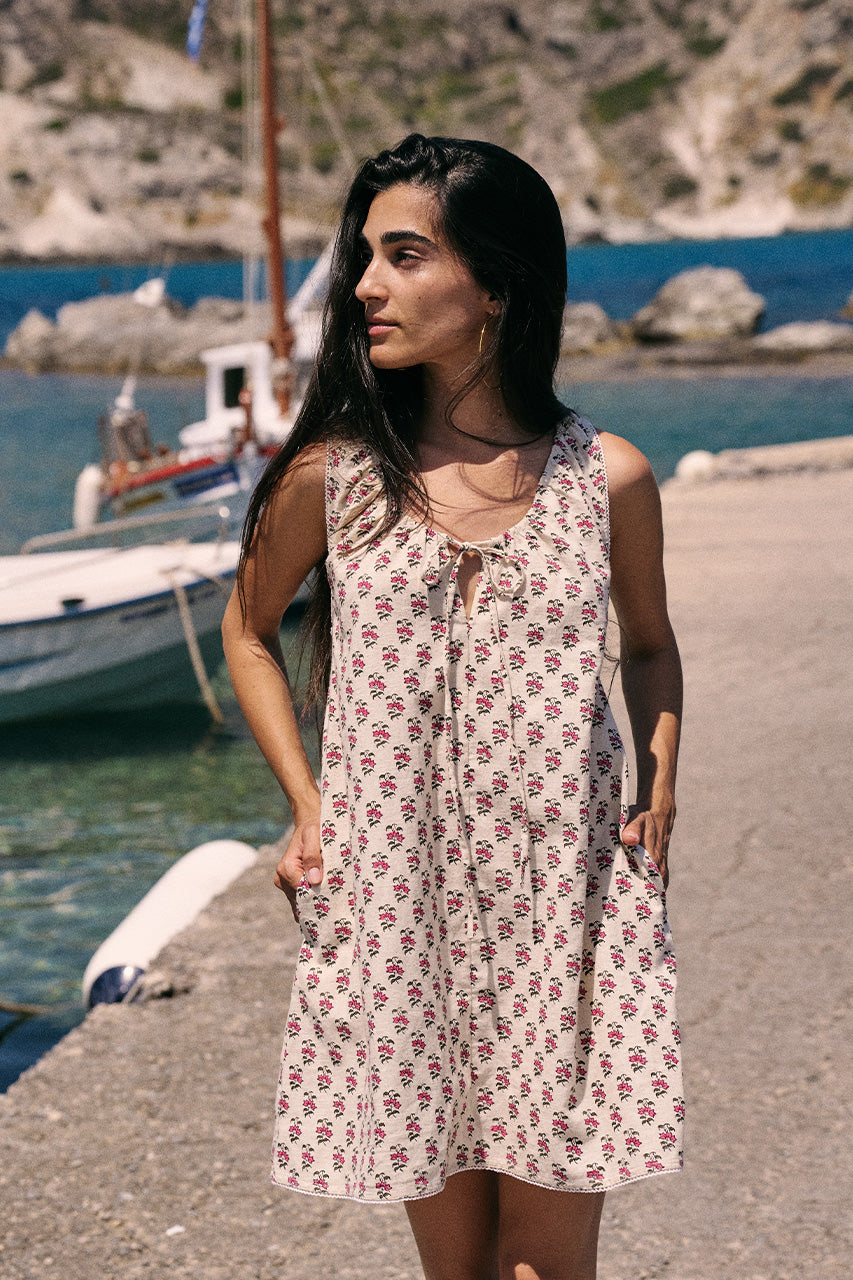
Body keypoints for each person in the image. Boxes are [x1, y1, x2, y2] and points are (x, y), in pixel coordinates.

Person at [222, 133, 683, 1280]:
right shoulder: (335, 474)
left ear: (495, 286)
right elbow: (248, 630)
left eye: (405, 254)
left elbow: (648, 644)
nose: (364, 286)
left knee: (545, 1266)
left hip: (564, 903)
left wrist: (660, 783)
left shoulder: (606, 476)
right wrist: (307, 804)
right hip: (399, 905)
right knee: (457, 1268)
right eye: (365, 256)